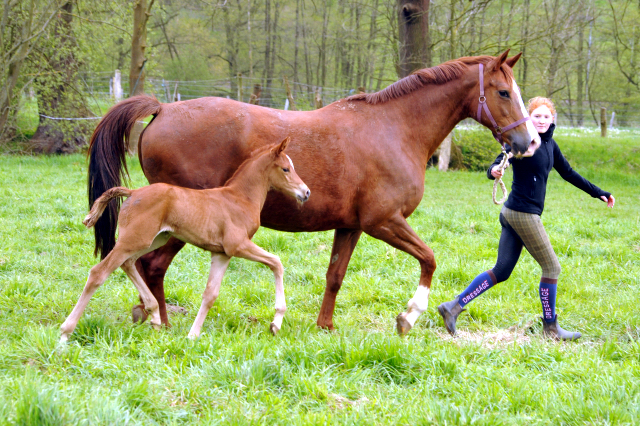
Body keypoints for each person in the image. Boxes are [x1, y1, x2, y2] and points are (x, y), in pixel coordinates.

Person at [437, 97, 615, 341]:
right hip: (523, 214)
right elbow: (499, 162)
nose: (541, 121)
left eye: (546, 116)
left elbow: (569, 173)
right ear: (528, 118)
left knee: (501, 271)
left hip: (512, 214)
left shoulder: (551, 145)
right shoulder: (523, 142)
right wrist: (494, 171)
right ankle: (551, 329)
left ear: (552, 119)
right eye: (536, 116)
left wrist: (599, 193)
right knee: (552, 267)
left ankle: (452, 307)